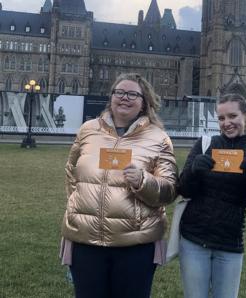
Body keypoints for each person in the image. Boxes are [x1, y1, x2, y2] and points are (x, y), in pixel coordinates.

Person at [60, 73, 178, 298]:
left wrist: (143, 181)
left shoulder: (158, 138)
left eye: (133, 94)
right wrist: (78, 207)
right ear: (111, 97)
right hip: (86, 242)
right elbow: (71, 171)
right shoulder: (88, 130)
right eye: (119, 92)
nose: (125, 98)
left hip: (135, 245)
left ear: (145, 102)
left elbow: (169, 190)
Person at [177, 93, 246, 298]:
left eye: (232, 116)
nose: (227, 123)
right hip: (194, 240)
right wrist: (193, 171)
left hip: (230, 245)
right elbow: (183, 190)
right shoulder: (205, 145)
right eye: (221, 118)